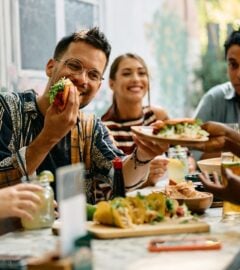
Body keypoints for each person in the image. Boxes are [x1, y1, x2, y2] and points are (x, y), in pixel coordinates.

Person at [0, 28, 168, 204]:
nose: (82, 79)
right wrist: (50, 136)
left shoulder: (90, 126)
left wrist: (143, 155)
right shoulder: (7, 107)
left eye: (93, 75)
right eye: (74, 66)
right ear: (51, 67)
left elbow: (120, 178)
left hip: (76, 229)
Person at [101, 53, 169, 186]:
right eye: (126, 74)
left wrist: (187, 161)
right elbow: (107, 188)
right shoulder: (103, 129)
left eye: (142, 73)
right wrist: (145, 178)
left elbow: (181, 154)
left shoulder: (158, 117)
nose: (136, 79)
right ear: (111, 83)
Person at [193, 27, 240, 160]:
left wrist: (229, 139)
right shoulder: (213, 99)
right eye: (233, 65)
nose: (239, 75)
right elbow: (192, 150)